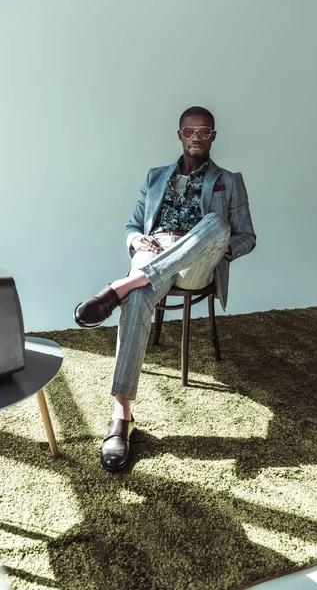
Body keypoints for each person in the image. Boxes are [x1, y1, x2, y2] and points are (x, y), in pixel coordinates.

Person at [74, 106, 256, 472]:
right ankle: (121, 415)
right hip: (153, 253)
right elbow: (131, 225)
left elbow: (247, 236)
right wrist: (138, 239)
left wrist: (221, 247)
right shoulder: (155, 176)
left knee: (217, 223)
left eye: (204, 132)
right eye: (190, 131)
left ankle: (121, 286)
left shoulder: (229, 180)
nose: (196, 138)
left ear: (213, 137)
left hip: (196, 263)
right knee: (140, 297)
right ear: (179, 135)